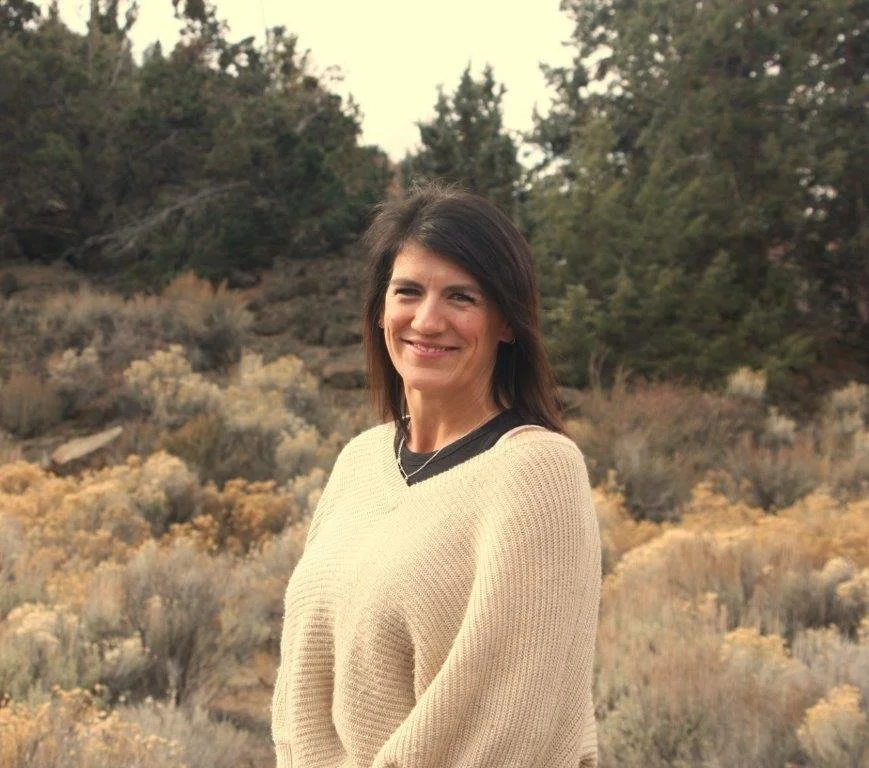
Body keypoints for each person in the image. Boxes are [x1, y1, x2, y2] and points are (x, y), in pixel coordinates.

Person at [271, 183, 602, 768]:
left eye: (461, 297)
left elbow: (509, 722)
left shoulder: (536, 473)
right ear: (380, 311)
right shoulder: (360, 461)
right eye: (408, 292)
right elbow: (299, 695)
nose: (427, 321)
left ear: (507, 322)